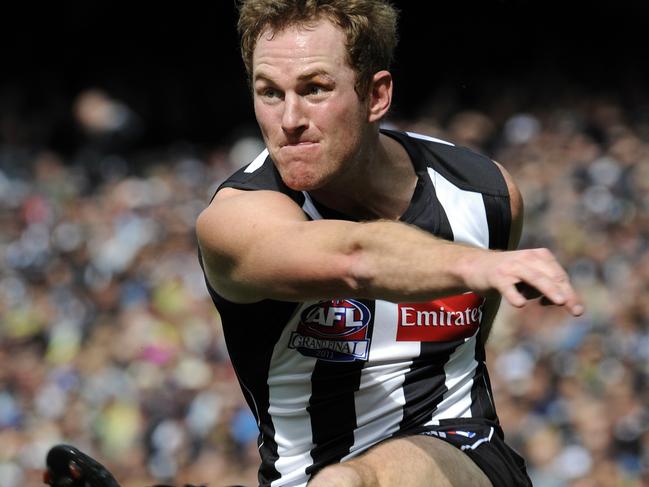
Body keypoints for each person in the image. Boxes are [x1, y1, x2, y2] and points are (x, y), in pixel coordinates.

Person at [195, 1, 584, 486]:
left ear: (376, 95)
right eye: (269, 93)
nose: (289, 119)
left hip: (461, 455)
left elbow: (469, 352)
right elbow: (353, 258)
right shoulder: (235, 220)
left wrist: (475, 264)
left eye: (314, 89)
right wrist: (474, 265)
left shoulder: (483, 194)